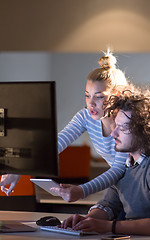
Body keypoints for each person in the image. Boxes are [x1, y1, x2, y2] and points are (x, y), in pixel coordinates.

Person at [61, 87, 150, 239]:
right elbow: (108, 206)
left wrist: (108, 226)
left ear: (145, 131)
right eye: (115, 126)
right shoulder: (126, 163)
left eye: (122, 128)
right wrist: (88, 220)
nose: (113, 133)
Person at [0, 50, 129, 202]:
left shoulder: (127, 120)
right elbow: (57, 143)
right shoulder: (85, 116)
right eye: (87, 95)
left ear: (118, 95)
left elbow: (119, 168)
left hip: (141, 184)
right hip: (119, 186)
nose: (91, 103)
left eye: (99, 97)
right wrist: (20, 170)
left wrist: (82, 190)